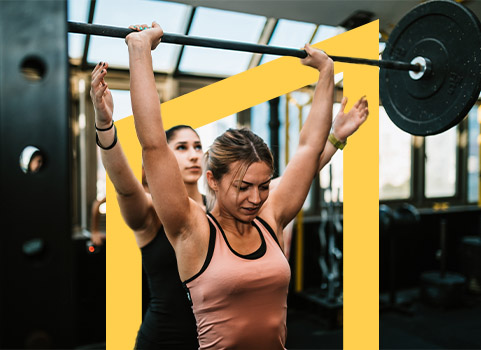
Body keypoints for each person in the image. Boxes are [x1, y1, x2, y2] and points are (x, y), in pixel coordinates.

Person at [125, 22, 368, 349]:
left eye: (264, 185)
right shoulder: (192, 230)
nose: (256, 198)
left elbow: (309, 148)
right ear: (213, 179)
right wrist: (140, 51)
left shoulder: (271, 218)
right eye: (243, 187)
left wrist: (326, 73)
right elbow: (153, 143)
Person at [90, 63, 202, 349]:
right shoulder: (153, 212)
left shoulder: (216, 209)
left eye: (198, 146)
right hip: (162, 341)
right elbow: (125, 187)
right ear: (164, 157)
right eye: (182, 147)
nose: (194, 155)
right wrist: (104, 124)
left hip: (212, 341)